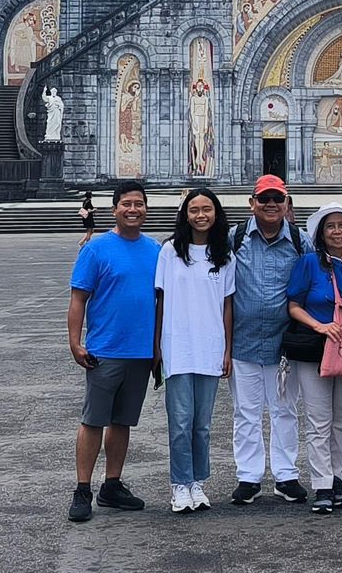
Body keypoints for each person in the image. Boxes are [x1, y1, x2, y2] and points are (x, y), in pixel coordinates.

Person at [67, 180, 160, 522]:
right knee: (93, 420)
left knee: (122, 421)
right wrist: (75, 342)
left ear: (146, 209)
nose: (133, 210)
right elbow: (78, 300)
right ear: (114, 209)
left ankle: (112, 484)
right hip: (104, 349)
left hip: (140, 353)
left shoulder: (155, 250)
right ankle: (82, 489)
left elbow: (161, 303)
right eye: (127, 204)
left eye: (139, 204)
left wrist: (157, 348)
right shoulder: (96, 249)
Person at [229, 174, 312, 505]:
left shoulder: (300, 240)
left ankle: (286, 475)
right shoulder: (233, 238)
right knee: (245, 412)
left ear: (287, 203)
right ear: (252, 203)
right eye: (264, 198)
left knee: (284, 410)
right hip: (243, 342)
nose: (271, 204)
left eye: (278, 198)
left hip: (283, 345)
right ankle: (248, 477)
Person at [154, 189, 235, 513]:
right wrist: (156, 346)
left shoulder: (225, 255)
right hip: (178, 346)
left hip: (210, 346)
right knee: (181, 421)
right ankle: (179, 485)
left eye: (207, 209)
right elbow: (159, 301)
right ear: (185, 215)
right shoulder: (170, 251)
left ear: (216, 213)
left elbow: (228, 305)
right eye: (194, 210)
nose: (201, 215)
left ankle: (198, 482)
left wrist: (228, 348)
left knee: (202, 423)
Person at [286, 203, 342, 514]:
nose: (337, 231)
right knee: (319, 420)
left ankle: (339, 480)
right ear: (320, 233)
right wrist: (319, 325)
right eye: (330, 226)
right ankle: (321, 483)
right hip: (315, 350)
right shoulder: (309, 263)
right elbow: (294, 304)